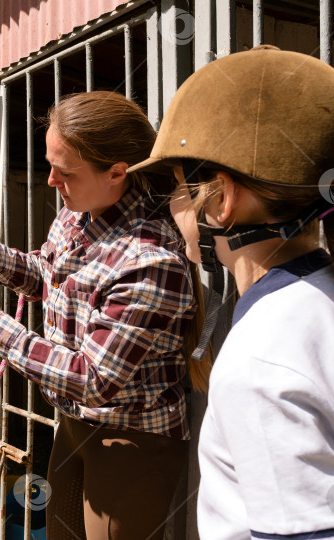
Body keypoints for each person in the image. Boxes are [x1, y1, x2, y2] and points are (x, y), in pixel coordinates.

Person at [0, 91, 204, 539]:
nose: (49, 181)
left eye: (64, 172)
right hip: (74, 426)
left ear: (117, 173)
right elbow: (49, 274)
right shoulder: (75, 216)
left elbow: (93, 380)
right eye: (50, 165)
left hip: (131, 441)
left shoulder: (149, 261)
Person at [129, 45, 334, 539]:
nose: (172, 208)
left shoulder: (260, 361)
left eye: (179, 188)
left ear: (221, 200)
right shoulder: (317, 298)